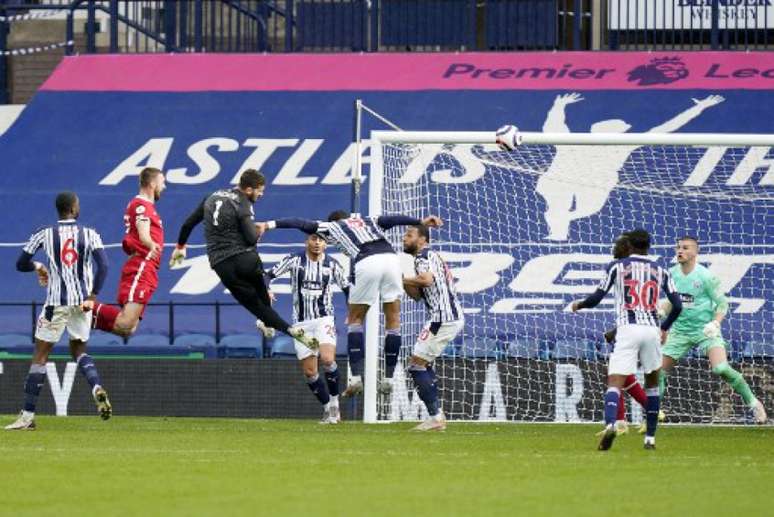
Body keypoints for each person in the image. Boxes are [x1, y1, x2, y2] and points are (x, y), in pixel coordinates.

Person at [257, 211, 442, 397]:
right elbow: (393, 219)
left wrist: (268, 224)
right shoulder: (369, 220)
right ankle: (388, 379)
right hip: (391, 260)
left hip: (367, 261)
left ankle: (355, 379)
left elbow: (299, 221)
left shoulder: (333, 227)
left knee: (355, 320)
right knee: (393, 321)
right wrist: (420, 221)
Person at [170, 169, 318, 349]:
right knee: (262, 296)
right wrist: (256, 231)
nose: (261, 194)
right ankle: (268, 320)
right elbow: (250, 238)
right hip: (245, 258)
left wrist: (180, 247)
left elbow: (188, 224)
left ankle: (289, 329)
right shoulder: (243, 203)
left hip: (221, 264)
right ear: (248, 190)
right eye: (260, 190)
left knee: (255, 305)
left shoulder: (211, 196)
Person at [6, 192, 111, 430]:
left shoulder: (44, 234)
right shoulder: (90, 233)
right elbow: (103, 266)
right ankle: (96, 386)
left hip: (56, 304)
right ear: (74, 208)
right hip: (81, 304)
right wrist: (92, 296)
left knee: (40, 356)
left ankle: (27, 417)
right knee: (79, 350)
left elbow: (20, 263)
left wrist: (39, 265)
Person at [572, 229, 682, 451]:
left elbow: (596, 298)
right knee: (652, 384)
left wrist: (579, 305)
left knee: (615, 381)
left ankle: (612, 423)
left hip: (628, 328)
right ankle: (650, 439)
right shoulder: (662, 271)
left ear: (629, 245)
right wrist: (665, 328)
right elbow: (678, 305)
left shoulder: (617, 267)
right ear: (648, 247)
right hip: (652, 329)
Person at [659, 236, 767, 424]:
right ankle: (654, 412)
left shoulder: (706, 277)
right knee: (658, 372)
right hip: (680, 331)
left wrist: (715, 323)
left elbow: (722, 304)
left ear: (695, 252)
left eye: (685, 248)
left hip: (706, 331)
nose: (680, 251)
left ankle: (754, 403)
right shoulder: (671, 274)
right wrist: (662, 311)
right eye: (678, 247)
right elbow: (672, 301)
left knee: (721, 368)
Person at [265, 234, 350, 424]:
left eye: (321, 240)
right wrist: (267, 289)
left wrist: (353, 312)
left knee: (328, 359)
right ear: (306, 242)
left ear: (326, 244)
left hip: (324, 319)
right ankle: (327, 408)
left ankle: (335, 404)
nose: (317, 243)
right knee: (310, 372)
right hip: (301, 324)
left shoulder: (333, 265)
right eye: (313, 239)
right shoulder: (294, 260)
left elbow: (347, 288)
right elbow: (268, 275)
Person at [85, 167, 166, 336]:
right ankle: (81, 307)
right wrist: (151, 244)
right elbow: (143, 232)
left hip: (147, 267)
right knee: (126, 322)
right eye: (162, 182)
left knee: (128, 329)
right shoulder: (142, 205)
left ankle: (85, 317)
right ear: (152, 183)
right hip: (142, 264)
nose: (164, 186)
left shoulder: (143, 206)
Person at [401, 225, 464, 431]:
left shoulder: (422, 257)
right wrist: (406, 283)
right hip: (445, 317)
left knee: (416, 365)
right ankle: (436, 415)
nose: (404, 238)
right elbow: (419, 296)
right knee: (422, 364)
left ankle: (436, 417)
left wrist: (400, 278)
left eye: (409, 235)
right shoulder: (431, 256)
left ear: (422, 240)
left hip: (442, 319)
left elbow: (426, 280)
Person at [597, 232, 650, 437]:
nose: (615, 247)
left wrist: (617, 331)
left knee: (616, 376)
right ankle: (623, 420)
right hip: (639, 329)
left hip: (636, 330)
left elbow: (638, 308)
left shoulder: (624, 270)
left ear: (629, 248)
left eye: (620, 244)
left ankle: (621, 421)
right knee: (621, 375)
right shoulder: (634, 269)